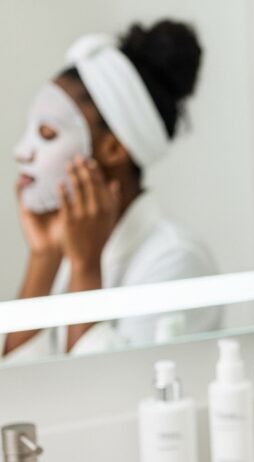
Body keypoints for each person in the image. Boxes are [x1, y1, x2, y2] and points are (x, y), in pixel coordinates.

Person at [4, 20, 220, 361]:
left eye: (46, 133)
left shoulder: (176, 259)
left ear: (114, 150)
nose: (21, 151)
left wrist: (86, 266)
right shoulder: (72, 245)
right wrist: (44, 256)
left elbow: (106, 395)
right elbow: (19, 383)